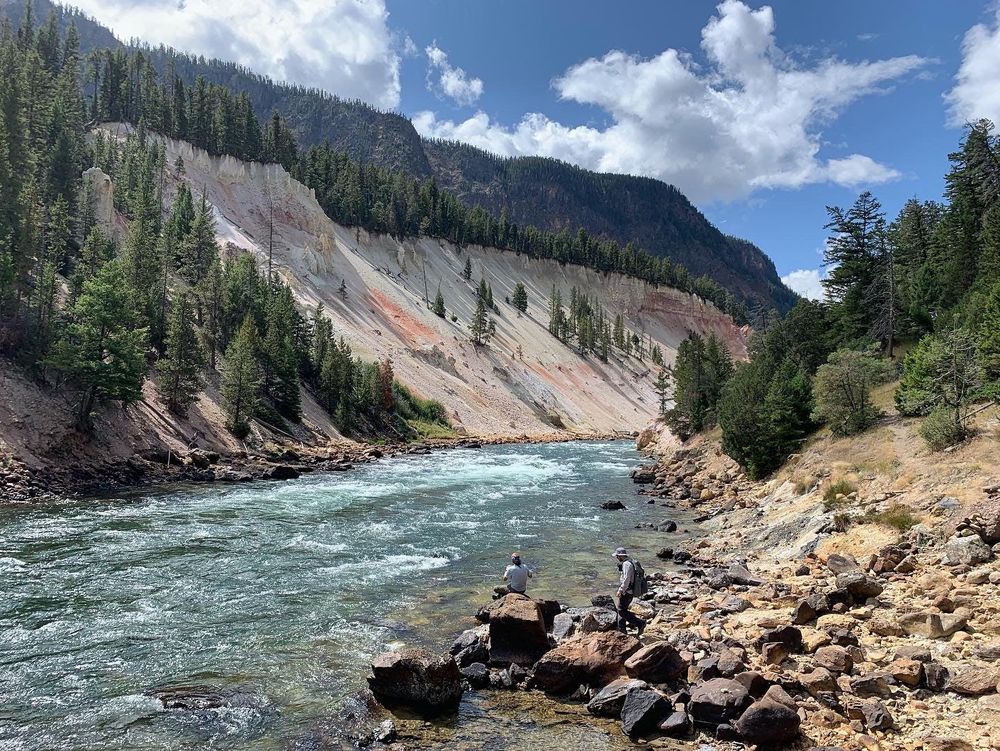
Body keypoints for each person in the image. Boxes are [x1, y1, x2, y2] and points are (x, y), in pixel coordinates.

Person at [613, 547, 646, 635]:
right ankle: (622, 630)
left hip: (627, 591)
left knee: (621, 610)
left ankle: (640, 623)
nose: (616, 558)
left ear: (620, 556)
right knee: (622, 609)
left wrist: (620, 590)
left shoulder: (626, 564)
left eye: (617, 556)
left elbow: (627, 579)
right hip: (630, 590)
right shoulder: (629, 561)